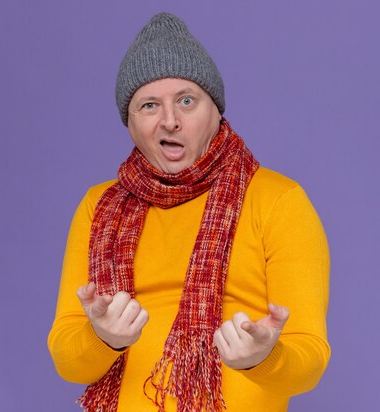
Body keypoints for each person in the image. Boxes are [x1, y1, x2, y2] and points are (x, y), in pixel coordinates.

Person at [48, 12, 331, 412]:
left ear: (215, 109)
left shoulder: (278, 200)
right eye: (149, 105)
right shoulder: (98, 207)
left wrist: (263, 357)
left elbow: (310, 360)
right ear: (129, 124)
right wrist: (103, 337)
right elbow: (67, 360)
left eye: (186, 100)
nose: (170, 121)